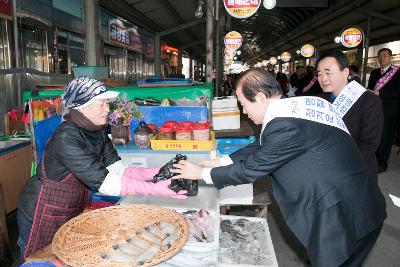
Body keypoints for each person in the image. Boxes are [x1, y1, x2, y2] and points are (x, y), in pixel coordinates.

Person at [172, 68, 386, 267]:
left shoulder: (287, 123)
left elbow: (252, 169)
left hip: (347, 215)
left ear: (261, 97)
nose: (244, 111)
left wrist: (201, 173)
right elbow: (263, 145)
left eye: (243, 103)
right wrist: (222, 161)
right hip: (349, 203)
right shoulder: (292, 110)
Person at [17, 77, 186, 261]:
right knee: (39, 258)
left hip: (70, 206)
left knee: (66, 256)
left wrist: (155, 172)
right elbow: (105, 182)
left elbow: (117, 169)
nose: (108, 109)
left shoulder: (97, 130)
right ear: (82, 107)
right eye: (102, 104)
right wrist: (155, 189)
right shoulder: (66, 139)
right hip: (42, 209)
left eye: (107, 103)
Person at [317, 51, 383, 175]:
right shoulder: (320, 99)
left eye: (328, 73)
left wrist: (340, 165)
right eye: (319, 74)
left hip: (355, 169)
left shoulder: (369, 101)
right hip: (325, 165)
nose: (323, 78)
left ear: (346, 72)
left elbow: (369, 144)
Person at [367, 48, 400, 173]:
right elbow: (370, 88)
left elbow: (397, 92)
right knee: (374, 135)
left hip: (390, 111)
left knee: (386, 138)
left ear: (390, 57)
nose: (381, 58)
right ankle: (373, 160)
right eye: (380, 56)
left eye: (385, 55)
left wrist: (380, 93)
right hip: (374, 110)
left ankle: (382, 164)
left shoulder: (398, 72)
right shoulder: (375, 72)